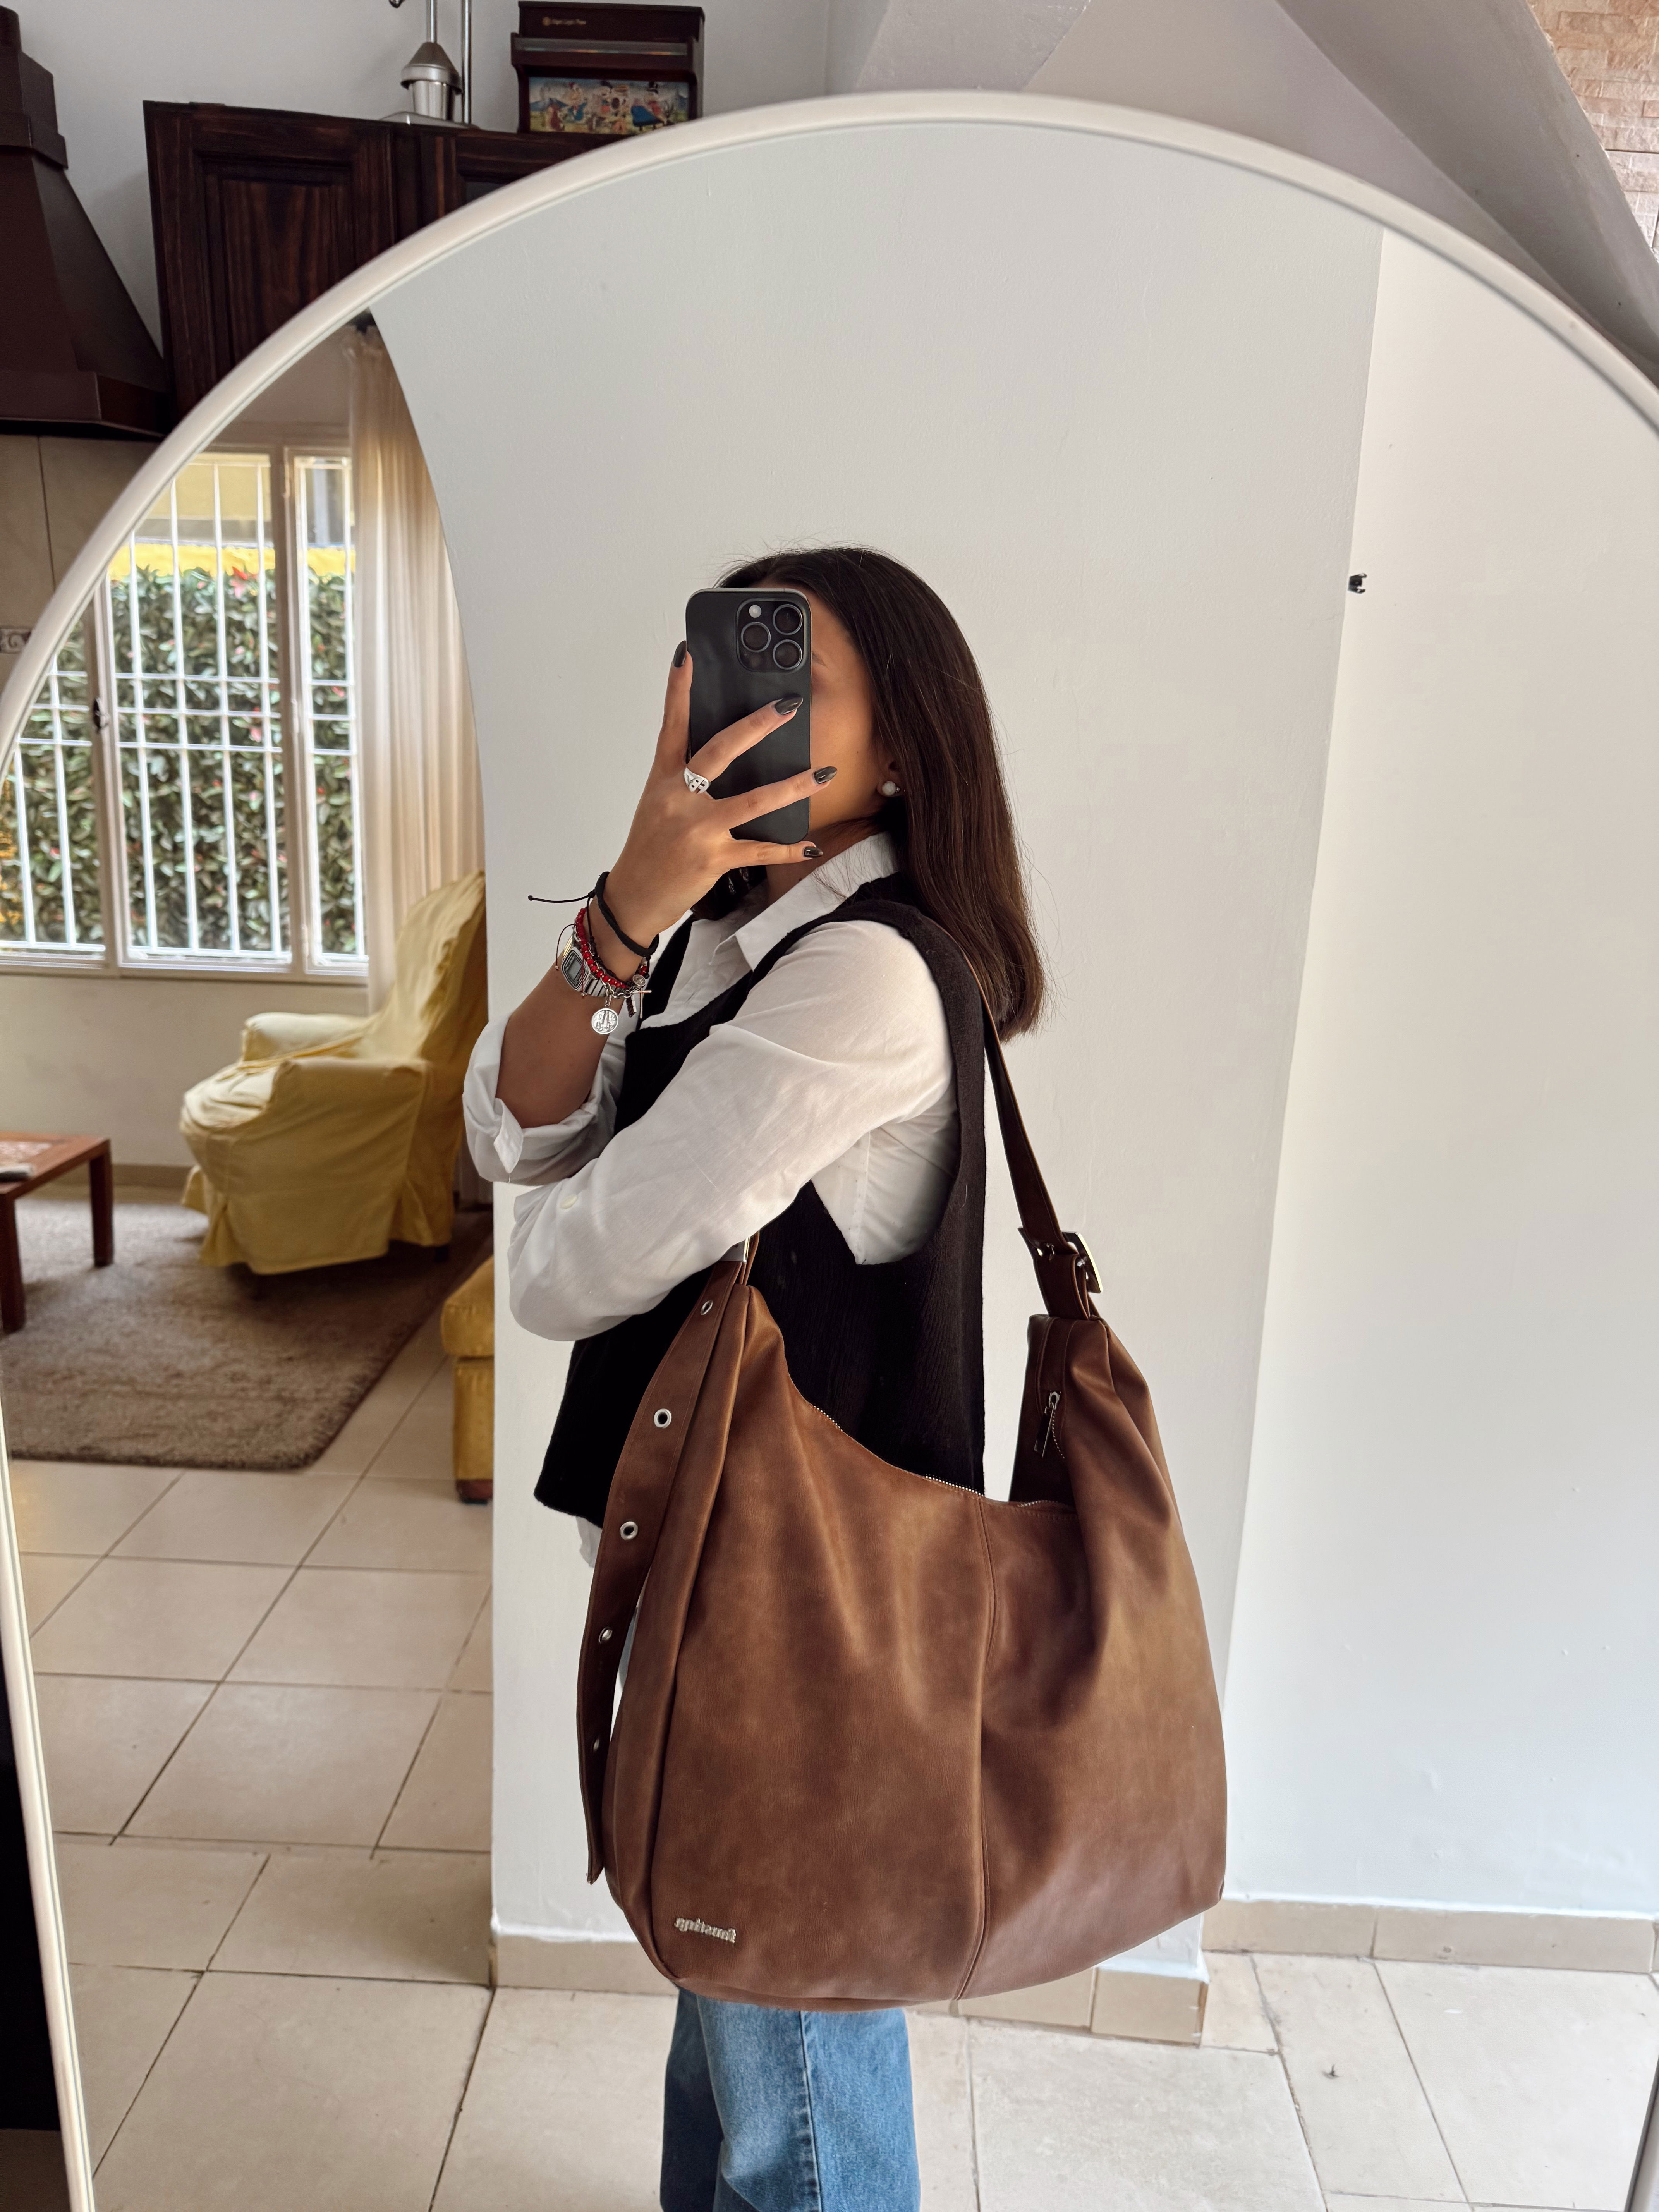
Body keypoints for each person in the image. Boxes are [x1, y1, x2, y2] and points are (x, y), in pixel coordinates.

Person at [463, 545, 1046, 2212]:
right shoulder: (730, 937)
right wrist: (625, 912)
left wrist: (627, 988)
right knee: (735, 1999)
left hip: (800, 1610)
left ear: (904, 746)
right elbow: (512, 1137)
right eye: (719, 674)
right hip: (734, 1573)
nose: (732, 717)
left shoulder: (862, 973)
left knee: (795, 2077)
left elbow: (558, 1269)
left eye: (796, 684)